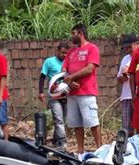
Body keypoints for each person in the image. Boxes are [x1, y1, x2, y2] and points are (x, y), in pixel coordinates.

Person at [62, 24, 102, 156]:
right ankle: (80, 151)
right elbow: (63, 70)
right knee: (76, 124)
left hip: (86, 92)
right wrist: (69, 80)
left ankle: (100, 150)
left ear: (81, 34)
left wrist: (71, 77)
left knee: (92, 122)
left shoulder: (92, 48)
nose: (71, 36)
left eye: (73, 33)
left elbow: (90, 68)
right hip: (72, 93)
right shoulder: (71, 52)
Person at [38, 42, 69, 148]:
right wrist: (41, 92)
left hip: (66, 95)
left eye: (66, 53)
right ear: (57, 51)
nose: (64, 55)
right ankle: (62, 142)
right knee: (58, 119)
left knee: (63, 120)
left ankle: (55, 140)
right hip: (54, 96)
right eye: (62, 53)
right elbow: (42, 77)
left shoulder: (68, 62)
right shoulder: (49, 61)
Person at [117, 34, 139, 136]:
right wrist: (124, 75)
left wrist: (131, 71)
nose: (128, 50)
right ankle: (129, 148)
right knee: (127, 128)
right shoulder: (125, 59)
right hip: (126, 96)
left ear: (137, 44)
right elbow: (119, 79)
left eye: (129, 47)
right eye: (126, 48)